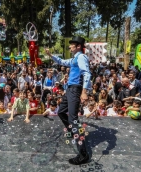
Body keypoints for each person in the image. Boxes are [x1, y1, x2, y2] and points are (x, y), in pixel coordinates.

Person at [45, 36, 91, 165]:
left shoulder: (81, 57)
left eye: (72, 45)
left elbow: (87, 74)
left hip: (75, 90)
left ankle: (83, 154)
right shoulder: (75, 58)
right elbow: (61, 61)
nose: (69, 46)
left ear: (78, 46)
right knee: (61, 112)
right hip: (69, 90)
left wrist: (84, 91)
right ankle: (73, 131)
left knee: (73, 120)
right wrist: (50, 55)